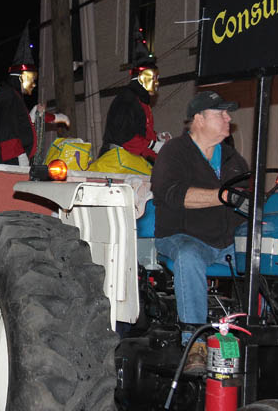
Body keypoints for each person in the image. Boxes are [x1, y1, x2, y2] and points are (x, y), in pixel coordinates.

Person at [150, 90, 247, 374]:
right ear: (199, 119)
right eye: (221, 113)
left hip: (226, 242)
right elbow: (173, 194)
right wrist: (223, 196)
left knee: (262, 252)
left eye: (228, 113)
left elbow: (245, 197)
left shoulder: (233, 159)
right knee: (188, 255)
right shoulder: (174, 152)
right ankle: (194, 341)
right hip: (182, 236)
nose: (228, 118)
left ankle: (259, 333)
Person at [0, 23, 69, 166]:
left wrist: (47, 116)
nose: (34, 85)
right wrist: (19, 155)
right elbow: (7, 129)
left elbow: (21, 126)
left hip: (14, 160)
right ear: (22, 76)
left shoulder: (14, 96)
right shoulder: (8, 95)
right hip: (9, 162)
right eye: (32, 80)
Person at [95, 27, 169, 173]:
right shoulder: (127, 99)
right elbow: (125, 137)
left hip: (130, 163)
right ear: (144, 76)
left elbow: (142, 137)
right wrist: (154, 145)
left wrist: (158, 142)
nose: (158, 82)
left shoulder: (141, 101)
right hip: (118, 166)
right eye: (155, 78)